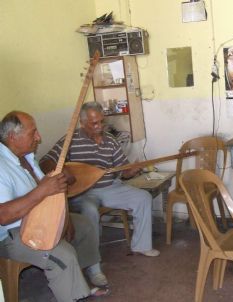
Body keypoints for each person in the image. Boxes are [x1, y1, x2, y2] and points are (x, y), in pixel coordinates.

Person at [0, 111, 109, 301]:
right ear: (12, 137)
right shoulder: (1, 166)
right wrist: (42, 190)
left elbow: (49, 192)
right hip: (12, 235)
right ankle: (72, 295)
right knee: (63, 256)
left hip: (39, 218)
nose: (39, 137)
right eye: (33, 133)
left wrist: (65, 217)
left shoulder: (27, 157)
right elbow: (3, 216)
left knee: (84, 225)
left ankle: (79, 283)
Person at [40, 102, 159, 257]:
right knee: (89, 210)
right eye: (94, 123)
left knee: (143, 198)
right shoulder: (70, 140)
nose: (100, 126)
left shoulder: (110, 140)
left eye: (102, 121)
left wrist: (132, 169)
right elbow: (45, 161)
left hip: (110, 187)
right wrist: (62, 170)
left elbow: (124, 171)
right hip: (82, 192)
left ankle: (141, 246)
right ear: (82, 123)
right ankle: (92, 260)